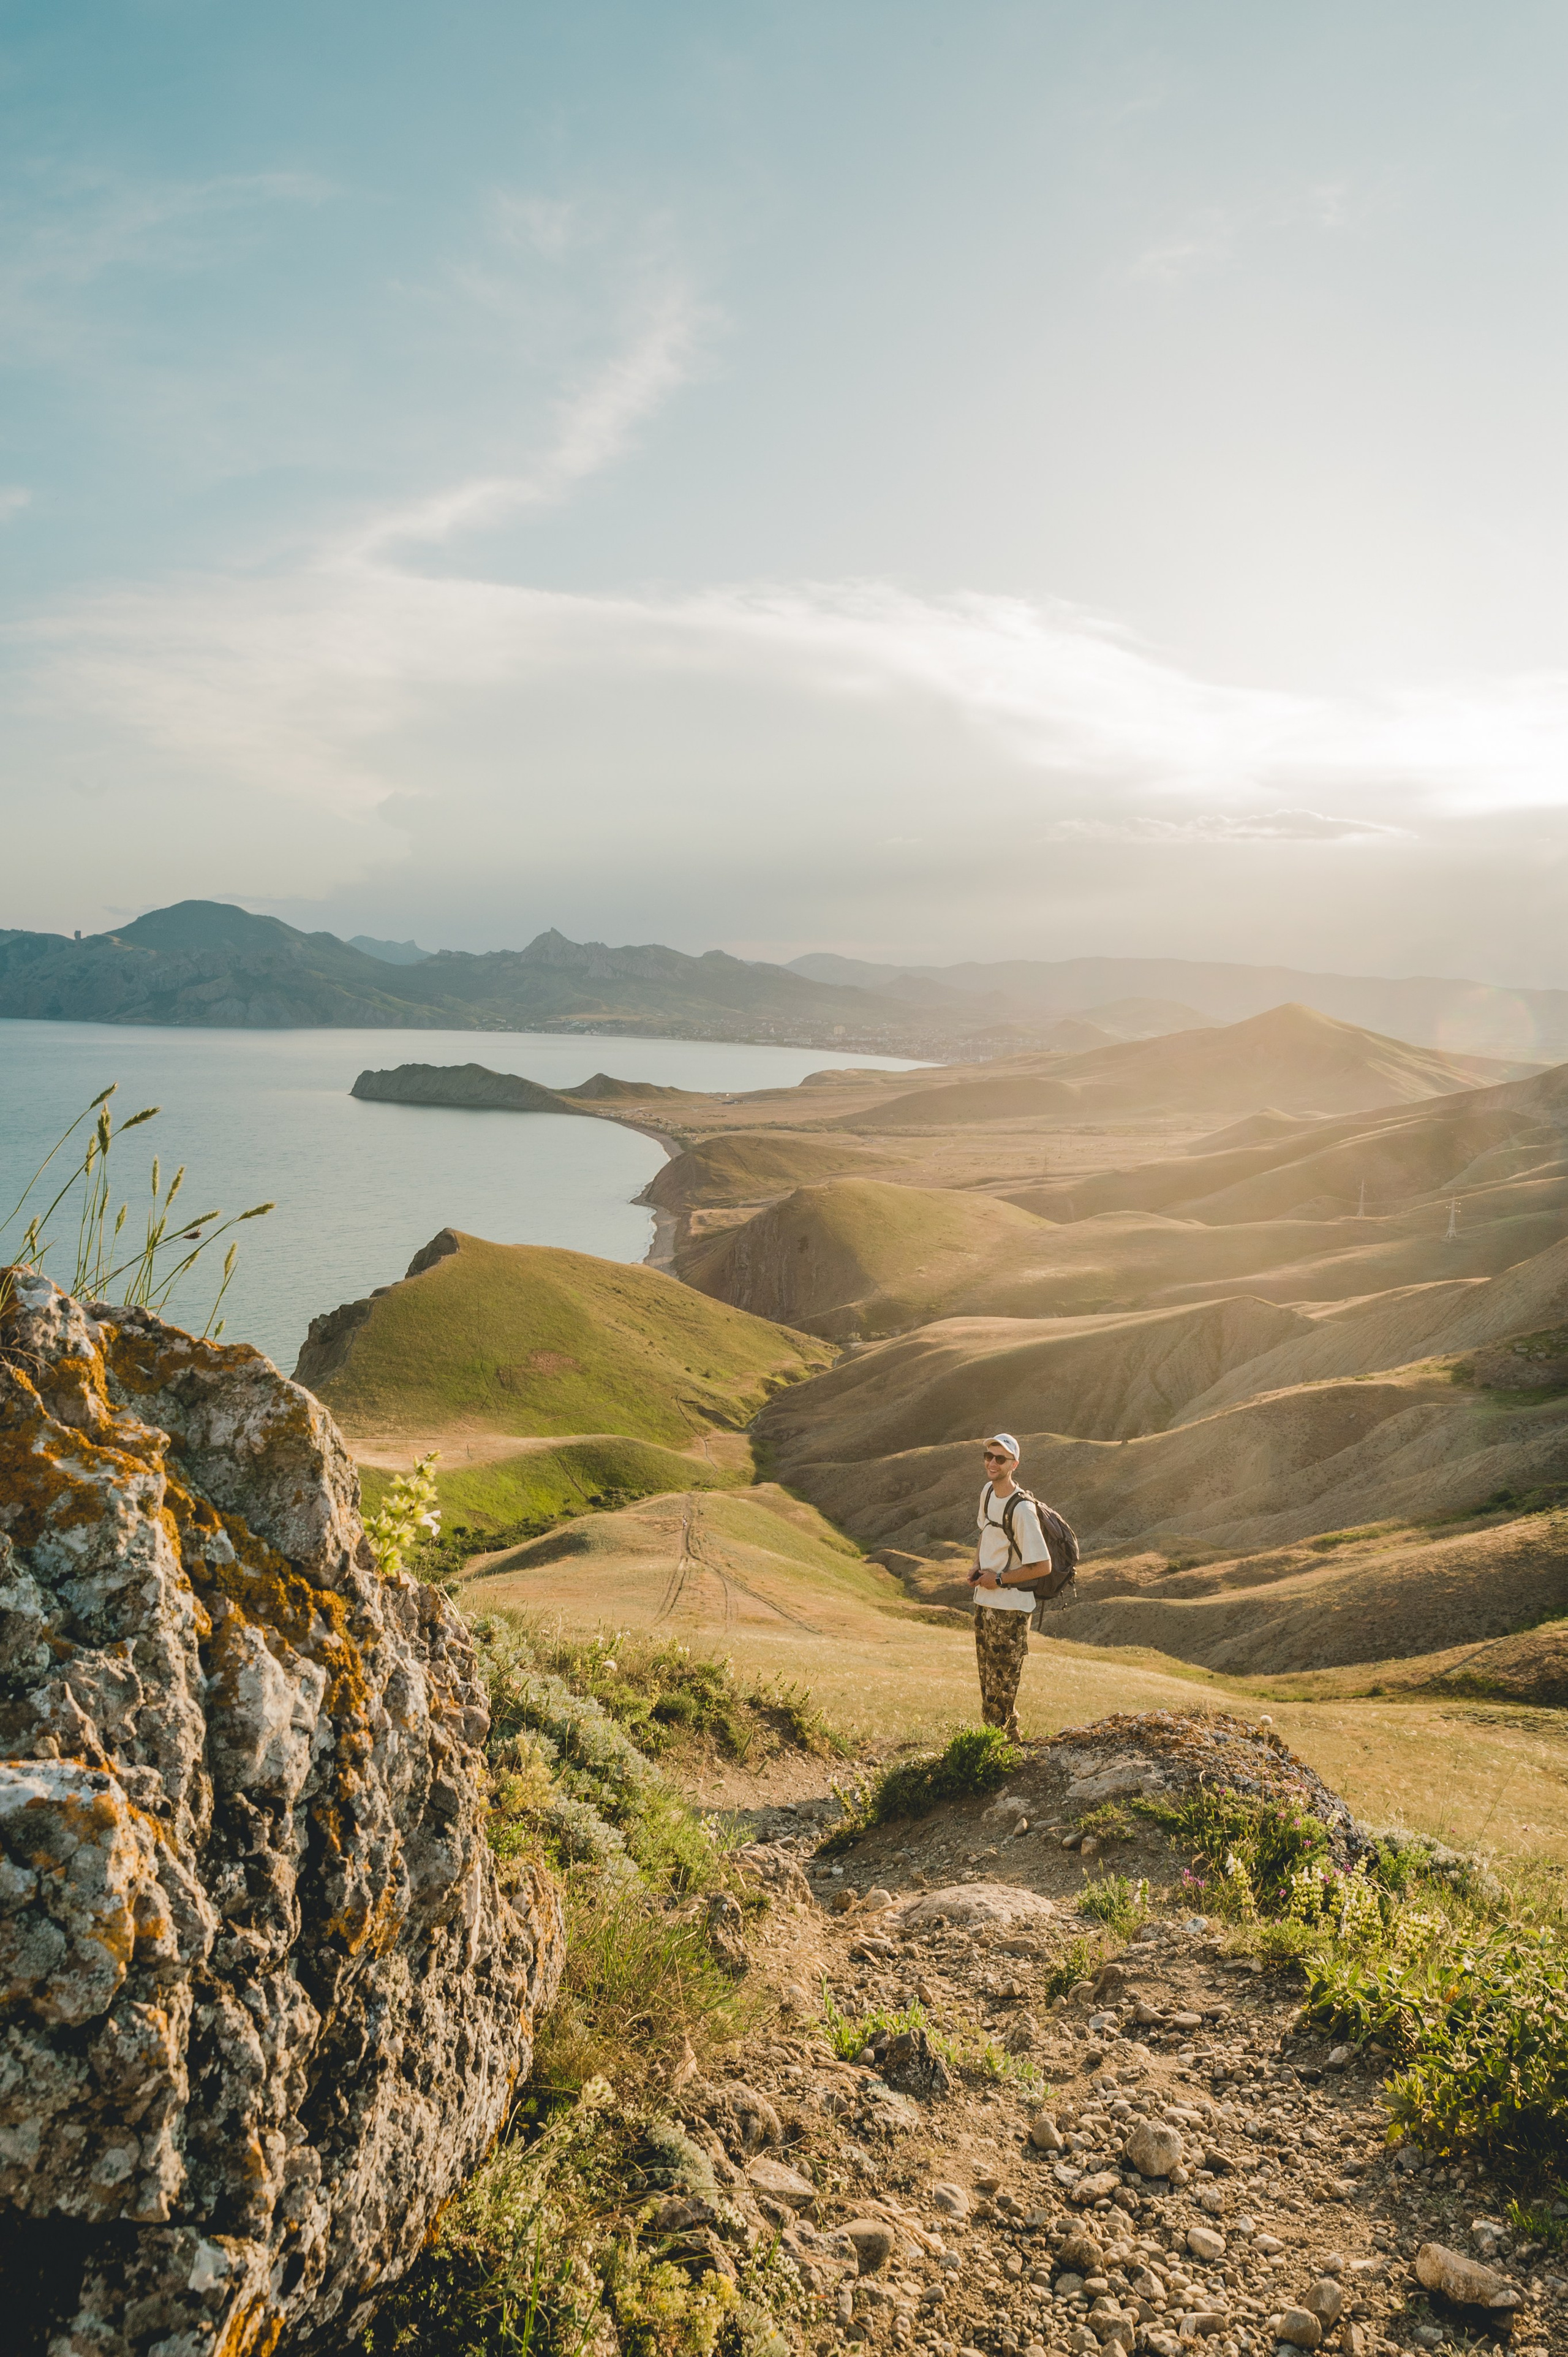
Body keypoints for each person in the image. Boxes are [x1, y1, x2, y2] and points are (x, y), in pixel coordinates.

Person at [967, 1431, 1049, 1741]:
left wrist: (999, 1579)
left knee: (1003, 1688)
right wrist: (976, 1565)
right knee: (988, 1682)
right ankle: (1000, 1744)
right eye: (988, 1456)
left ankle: (1001, 1748)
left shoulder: (1023, 1510)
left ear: (1014, 1464)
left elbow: (1042, 1566)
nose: (992, 1463)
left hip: (1011, 1610)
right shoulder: (988, 1492)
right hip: (985, 1602)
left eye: (1000, 1459)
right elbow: (985, 1532)